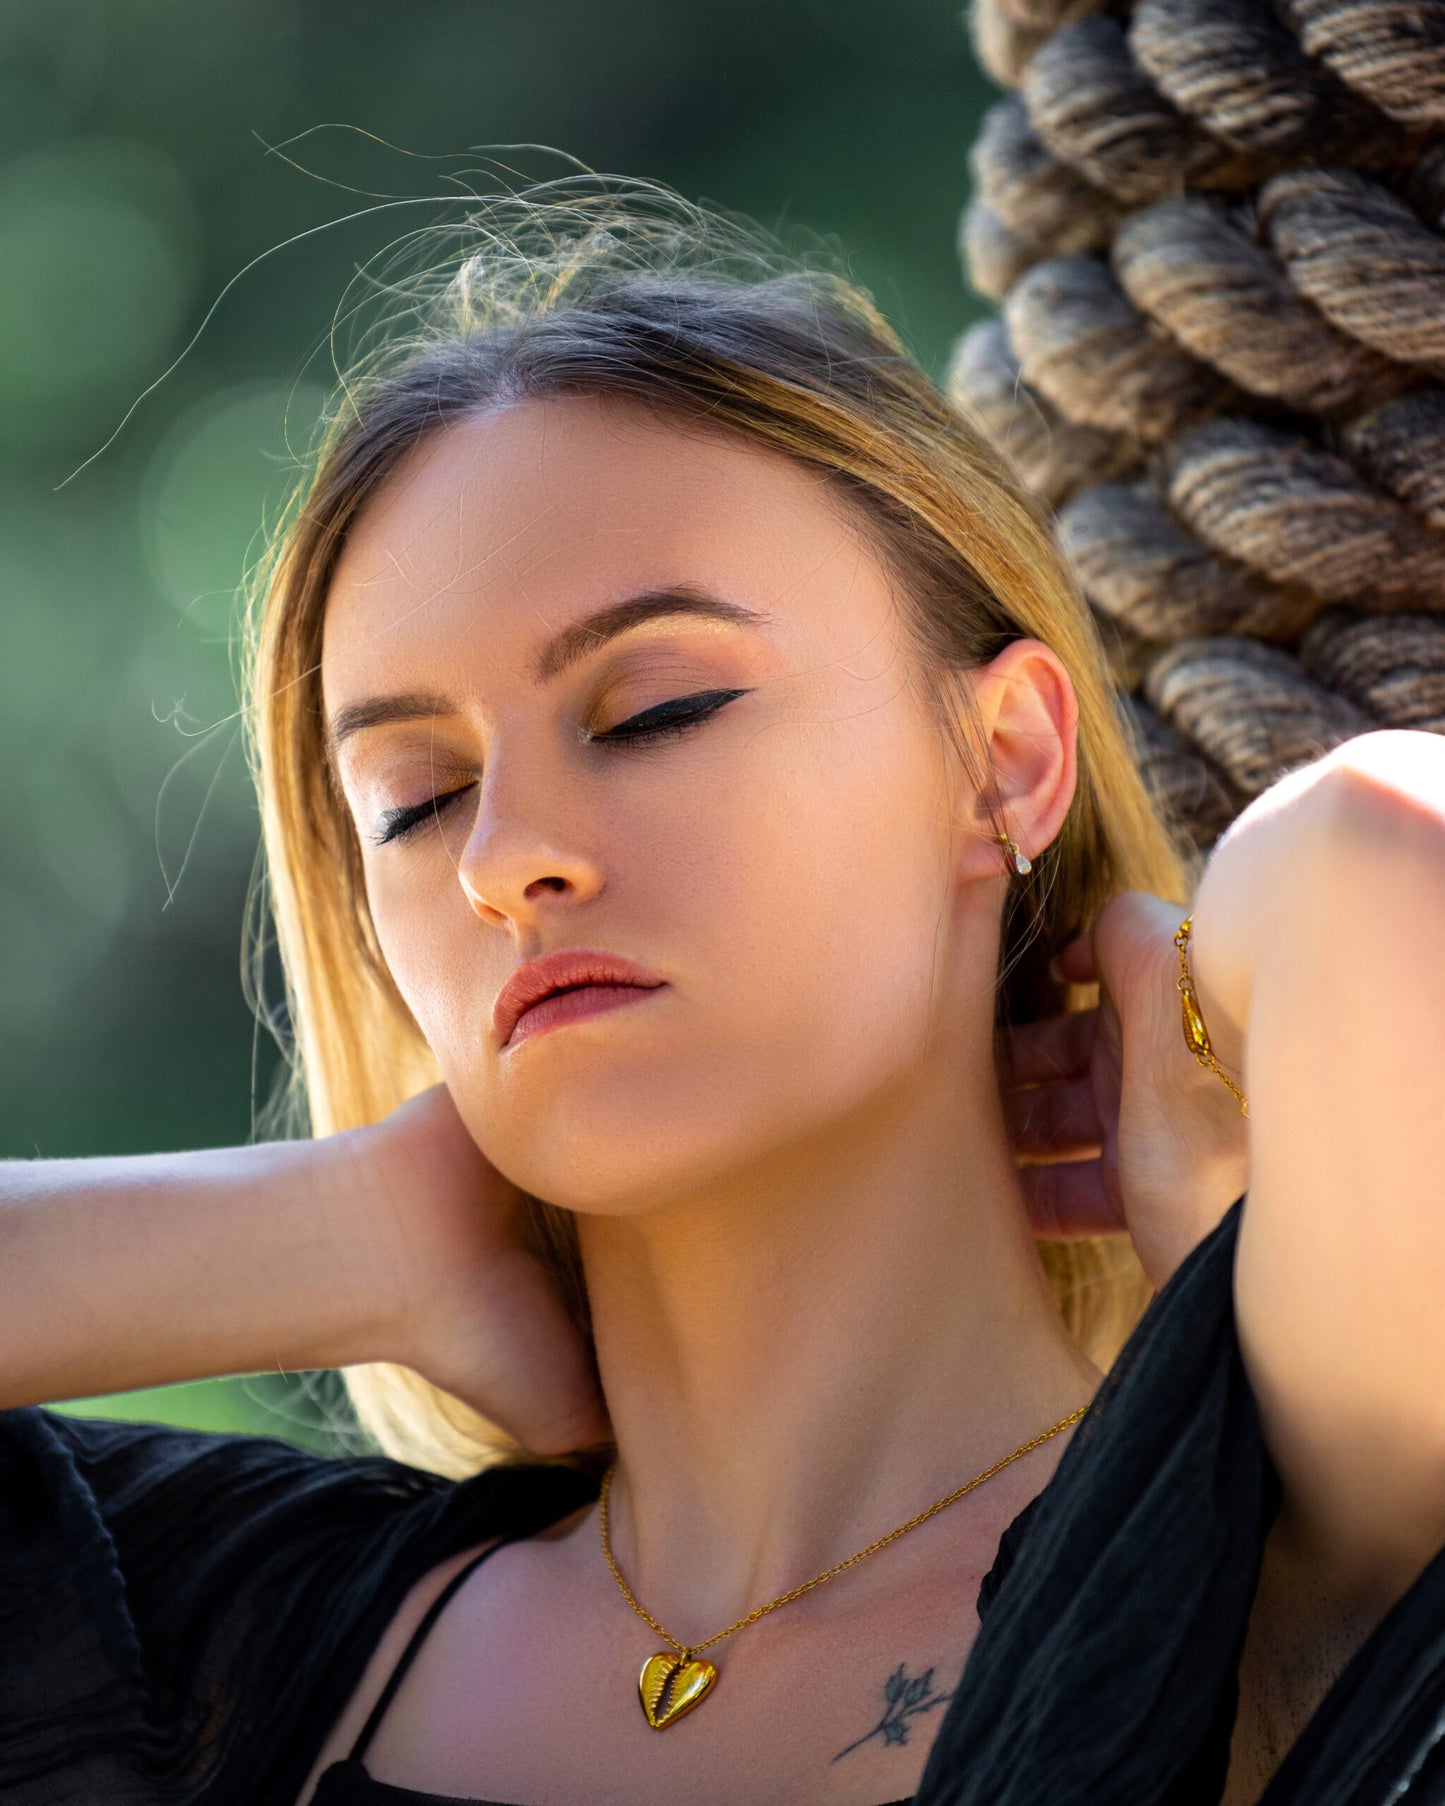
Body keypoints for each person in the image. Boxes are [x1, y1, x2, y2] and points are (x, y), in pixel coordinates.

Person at [1, 180, 1442, 1806]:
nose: (504, 856)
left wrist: (1187, 1039)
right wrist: (341, 1233)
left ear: (1005, 760)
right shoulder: (199, 1651)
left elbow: (1386, 855)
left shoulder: (1271, 1564)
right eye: (412, 796)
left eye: (656, 709)